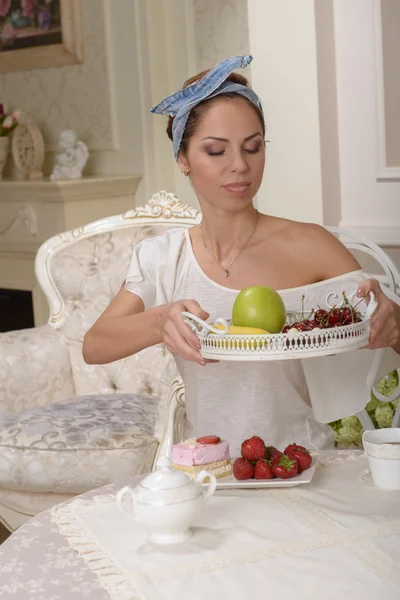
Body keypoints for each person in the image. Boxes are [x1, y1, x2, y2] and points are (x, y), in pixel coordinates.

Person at [83, 56, 400, 455]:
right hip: (211, 472)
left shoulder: (310, 245)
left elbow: (384, 325)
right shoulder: (164, 258)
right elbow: (94, 345)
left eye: (253, 147)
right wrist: (161, 320)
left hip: (303, 465)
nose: (240, 166)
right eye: (216, 151)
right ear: (183, 159)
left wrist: (393, 321)